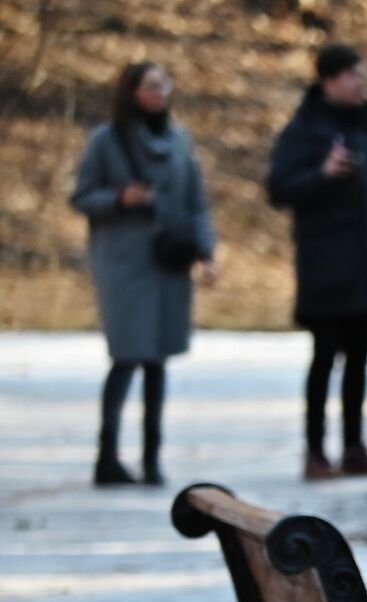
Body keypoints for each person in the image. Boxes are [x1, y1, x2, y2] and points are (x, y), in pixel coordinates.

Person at [266, 43, 367, 480]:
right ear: (328, 80)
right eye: (354, 75)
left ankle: (354, 448)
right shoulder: (304, 131)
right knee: (323, 359)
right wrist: (321, 174)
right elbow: (278, 188)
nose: (362, 83)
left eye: (363, 75)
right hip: (325, 266)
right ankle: (315, 452)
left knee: (359, 359)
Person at [69, 61, 217, 487]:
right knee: (127, 355)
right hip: (122, 261)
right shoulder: (106, 141)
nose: (161, 92)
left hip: (168, 259)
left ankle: (152, 459)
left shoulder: (178, 140)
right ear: (131, 91)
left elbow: (196, 202)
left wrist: (205, 251)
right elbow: (81, 196)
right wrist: (120, 198)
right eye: (152, 85)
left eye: (165, 84)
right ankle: (108, 457)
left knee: (158, 358)